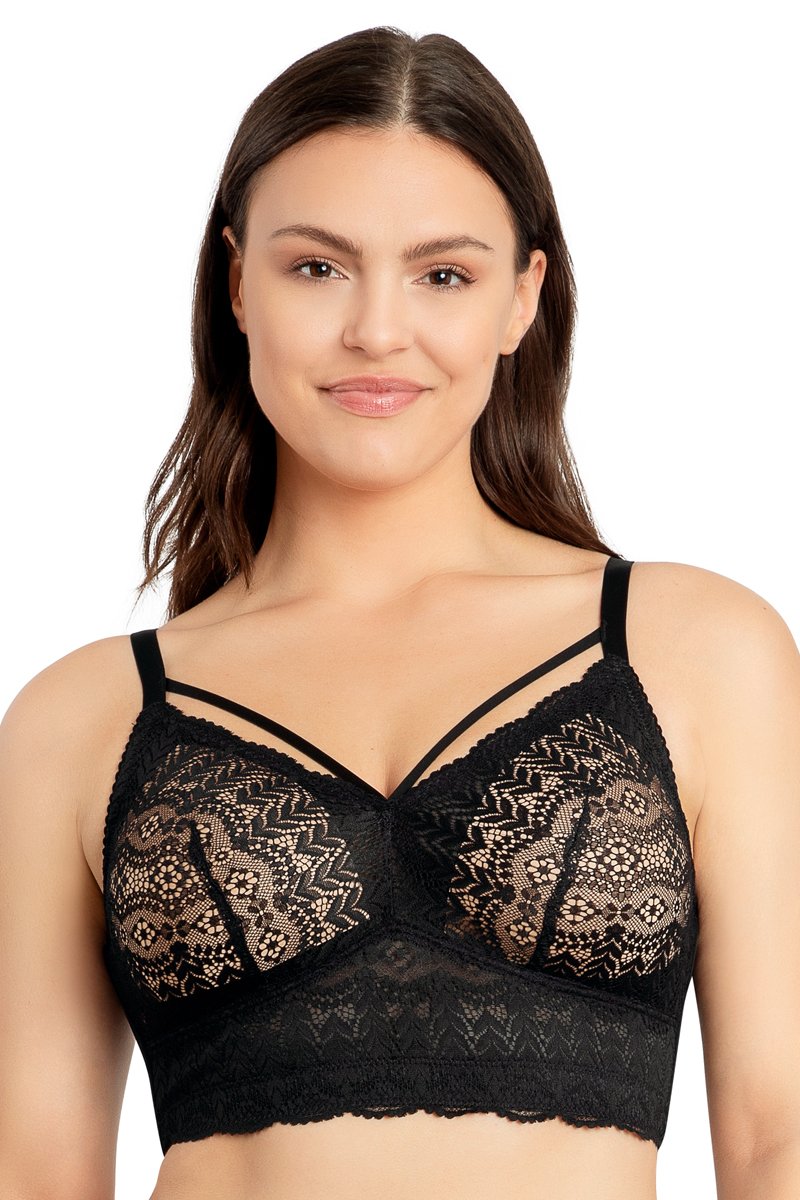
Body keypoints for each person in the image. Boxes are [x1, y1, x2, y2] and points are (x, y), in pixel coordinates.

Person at [1, 24, 798, 1200]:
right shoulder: (81, 717)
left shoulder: (694, 650)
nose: (377, 329)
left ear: (521, 298)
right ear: (236, 282)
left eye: (443, 275)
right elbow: (34, 1171)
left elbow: (777, 1135)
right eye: (316, 268)